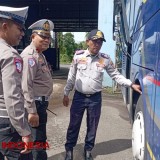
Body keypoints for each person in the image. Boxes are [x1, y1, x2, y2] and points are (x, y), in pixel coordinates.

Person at [63, 29, 142, 160]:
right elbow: (71, 77)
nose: (97, 45)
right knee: (74, 125)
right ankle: (69, 150)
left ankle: (88, 151)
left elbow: (115, 75)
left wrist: (130, 84)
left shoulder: (104, 59)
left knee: (92, 126)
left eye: (100, 42)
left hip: (95, 99)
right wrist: (66, 93)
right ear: (87, 42)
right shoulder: (78, 56)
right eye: (94, 41)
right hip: (79, 97)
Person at [0, 6, 32, 160]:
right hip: (7, 123)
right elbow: (12, 97)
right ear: (5, 26)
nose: (22, 34)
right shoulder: (10, 55)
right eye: (19, 29)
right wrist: (24, 131)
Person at [21, 19, 54, 160]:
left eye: (48, 37)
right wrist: (32, 111)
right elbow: (25, 85)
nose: (47, 40)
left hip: (40, 104)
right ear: (33, 36)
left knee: (40, 139)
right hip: (35, 104)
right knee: (36, 142)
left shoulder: (39, 54)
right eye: (43, 36)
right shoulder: (30, 56)